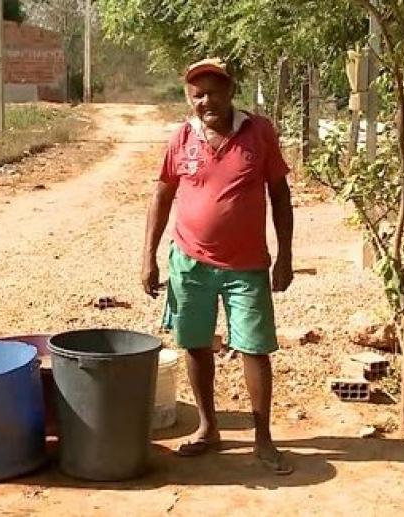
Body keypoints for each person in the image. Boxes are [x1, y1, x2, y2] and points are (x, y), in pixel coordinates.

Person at [141, 58, 294, 475]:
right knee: (194, 343)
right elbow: (162, 196)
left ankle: (263, 439)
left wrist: (286, 257)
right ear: (190, 98)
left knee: (255, 348)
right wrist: (148, 258)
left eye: (214, 91)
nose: (206, 100)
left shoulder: (258, 132)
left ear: (230, 91)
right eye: (198, 94)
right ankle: (209, 428)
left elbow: (280, 195)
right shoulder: (182, 138)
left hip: (247, 267)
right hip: (189, 263)